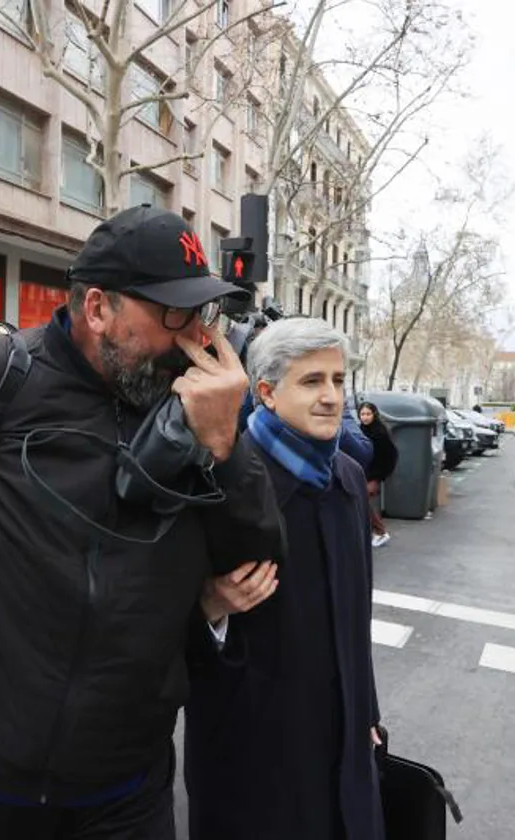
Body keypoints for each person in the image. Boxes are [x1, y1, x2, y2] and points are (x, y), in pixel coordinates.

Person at [0, 204, 286, 839]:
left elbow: (255, 559)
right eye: (173, 314)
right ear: (98, 309)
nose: (195, 338)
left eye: (202, 315)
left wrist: (225, 443)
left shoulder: (192, 400)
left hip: (129, 782)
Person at [185, 317, 384, 840]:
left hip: (343, 747)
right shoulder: (217, 480)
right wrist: (209, 609)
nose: (331, 397)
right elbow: (161, 627)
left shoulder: (344, 477)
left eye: (338, 381)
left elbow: (355, 614)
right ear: (267, 393)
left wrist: (367, 712)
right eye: (312, 381)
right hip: (255, 761)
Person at [358, 401, 398, 548]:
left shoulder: (380, 432)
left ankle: (380, 532)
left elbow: (391, 455)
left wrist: (380, 475)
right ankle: (374, 532)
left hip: (374, 474)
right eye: (362, 414)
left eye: (368, 414)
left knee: (361, 501)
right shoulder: (361, 430)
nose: (365, 417)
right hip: (364, 473)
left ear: (374, 414)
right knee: (361, 502)